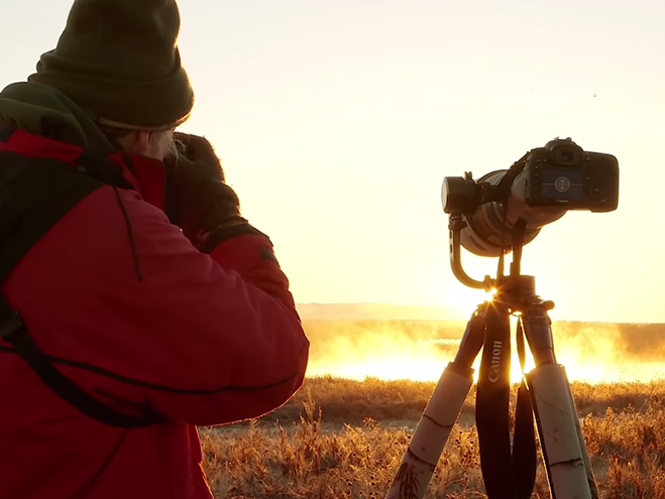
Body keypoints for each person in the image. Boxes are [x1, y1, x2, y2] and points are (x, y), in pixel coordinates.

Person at [0, 1, 309, 498]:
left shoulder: (20, 178)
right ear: (145, 131)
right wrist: (220, 220)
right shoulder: (103, 232)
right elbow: (275, 359)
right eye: (170, 133)